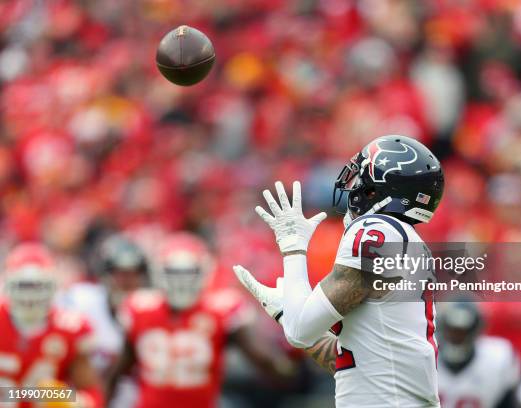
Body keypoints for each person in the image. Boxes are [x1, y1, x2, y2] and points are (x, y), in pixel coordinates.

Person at [234, 135, 445, 407]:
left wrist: (293, 248)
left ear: (377, 190)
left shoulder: (377, 231)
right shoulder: (404, 241)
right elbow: (350, 360)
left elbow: (299, 331)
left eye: (361, 179)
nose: (355, 186)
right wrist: (284, 311)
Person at [106, 232, 294, 408]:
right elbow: (119, 369)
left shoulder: (220, 310)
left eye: (188, 274)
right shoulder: (140, 308)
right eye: (175, 274)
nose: (181, 282)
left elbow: (265, 361)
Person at [0, 243, 103, 407]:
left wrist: (73, 403)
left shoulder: (70, 328)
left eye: (37, 287)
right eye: (23, 286)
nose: (29, 297)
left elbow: (91, 394)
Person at [59, 234, 148, 407]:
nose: (126, 282)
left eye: (133, 274)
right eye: (120, 273)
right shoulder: (81, 302)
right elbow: (21, 392)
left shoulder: (149, 310)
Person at [437, 300, 521, 408]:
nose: (456, 337)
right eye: (452, 330)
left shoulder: (497, 359)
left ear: (475, 331)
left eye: (462, 332)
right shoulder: (422, 357)